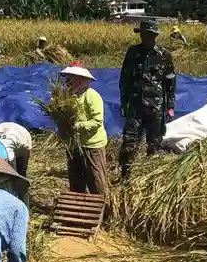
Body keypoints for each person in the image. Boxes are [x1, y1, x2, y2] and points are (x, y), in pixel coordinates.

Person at [118, 20, 176, 181]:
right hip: (135, 105)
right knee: (129, 141)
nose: (147, 38)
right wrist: (123, 101)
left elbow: (170, 83)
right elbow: (124, 78)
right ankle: (126, 176)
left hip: (155, 106)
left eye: (150, 35)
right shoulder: (133, 53)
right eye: (144, 35)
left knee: (154, 143)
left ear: (155, 36)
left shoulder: (164, 55)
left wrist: (170, 106)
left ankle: (150, 177)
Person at [60, 63, 108, 196]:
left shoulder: (91, 96)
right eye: (67, 78)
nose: (67, 82)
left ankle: (102, 210)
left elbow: (97, 121)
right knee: (76, 180)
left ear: (80, 80)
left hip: (92, 145)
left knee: (96, 180)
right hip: (73, 145)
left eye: (71, 78)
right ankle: (79, 207)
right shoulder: (65, 97)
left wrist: (76, 126)